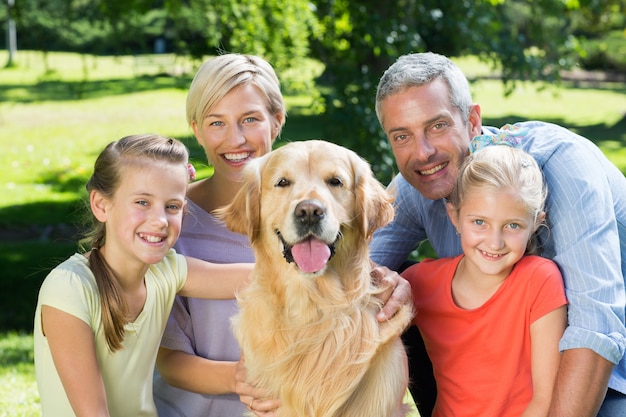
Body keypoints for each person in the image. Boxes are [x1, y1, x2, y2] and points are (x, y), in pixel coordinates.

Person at [153, 53, 413, 417]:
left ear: (276, 122)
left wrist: (381, 275)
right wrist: (246, 379)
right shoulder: (167, 223)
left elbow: (353, 259)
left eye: (250, 119)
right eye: (217, 123)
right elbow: (165, 357)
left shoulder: (319, 224)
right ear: (196, 129)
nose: (236, 138)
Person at [371, 51, 626, 417]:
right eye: (402, 136)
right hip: (499, 375)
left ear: (472, 120)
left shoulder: (562, 168)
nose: (423, 152)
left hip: (611, 361)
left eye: (438, 126)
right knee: (392, 291)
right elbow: (352, 278)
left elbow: (598, 330)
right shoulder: (417, 185)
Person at [33, 134, 254, 417]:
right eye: (142, 202)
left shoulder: (165, 272)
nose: (160, 220)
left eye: (172, 206)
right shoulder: (70, 288)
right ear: (101, 205)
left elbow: (257, 278)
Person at [402, 142, 568, 416]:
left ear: (536, 223)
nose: (494, 242)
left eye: (512, 225)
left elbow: (545, 399)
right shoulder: (421, 282)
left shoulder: (539, 280)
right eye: (479, 222)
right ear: (454, 216)